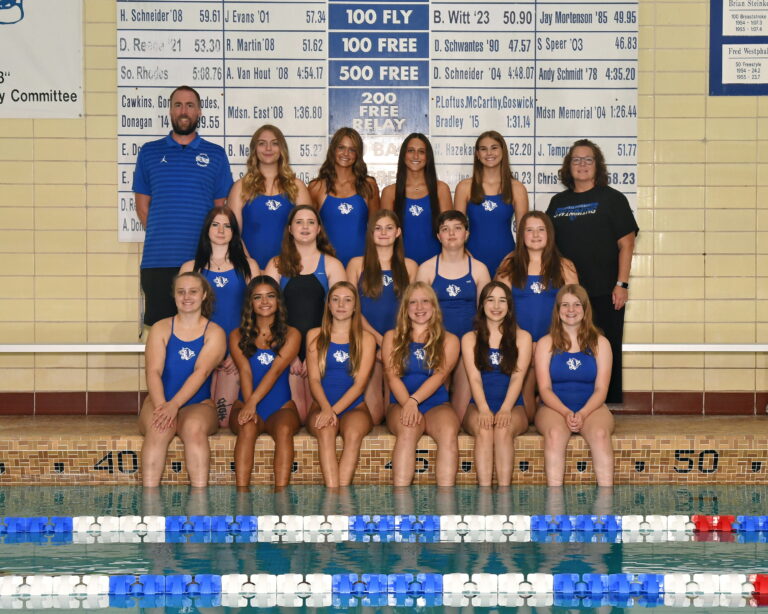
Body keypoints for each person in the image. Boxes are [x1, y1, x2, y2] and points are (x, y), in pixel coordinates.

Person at [547, 139, 638, 403]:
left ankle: (607, 402)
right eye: (576, 159)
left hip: (605, 291)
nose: (582, 164)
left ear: (597, 165)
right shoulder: (558, 202)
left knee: (605, 346)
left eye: (588, 159)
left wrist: (622, 284)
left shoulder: (613, 199)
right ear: (569, 166)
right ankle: (569, 400)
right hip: (568, 293)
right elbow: (547, 245)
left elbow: (627, 244)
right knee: (569, 346)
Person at [133, 85, 233, 326]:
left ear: (199, 112)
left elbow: (220, 211)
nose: (184, 111)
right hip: (158, 261)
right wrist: (166, 236)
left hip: (203, 262)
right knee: (160, 331)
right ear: (170, 111)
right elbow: (143, 207)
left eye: (190, 105)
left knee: (204, 330)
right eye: (178, 105)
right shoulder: (149, 153)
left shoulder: (216, 155)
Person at [139, 272, 226, 487]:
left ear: (204, 295)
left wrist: (174, 405)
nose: (187, 297)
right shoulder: (160, 328)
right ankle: (149, 501)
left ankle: (199, 501)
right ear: (174, 296)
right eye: (181, 292)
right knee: (159, 428)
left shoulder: (215, 332)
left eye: (193, 291)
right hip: (160, 400)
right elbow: (153, 371)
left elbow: (201, 372)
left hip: (198, 405)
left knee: (193, 429)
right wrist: (162, 407)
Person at [180, 207, 259, 426]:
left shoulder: (249, 266)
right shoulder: (191, 268)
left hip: (236, 351)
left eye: (227, 226)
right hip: (201, 351)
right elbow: (182, 317)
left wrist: (240, 350)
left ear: (234, 232)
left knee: (224, 421)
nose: (221, 230)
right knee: (198, 415)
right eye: (215, 225)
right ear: (207, 229)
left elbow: (258, 313)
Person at [265, 205, 347, 417]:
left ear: (319, 229)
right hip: (284, 348)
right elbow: (267, 314)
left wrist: (314, 354)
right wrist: (288, 353)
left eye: (311, 222)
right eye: (299, 222)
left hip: (320, 348)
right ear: (290, 229)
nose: (305, 227)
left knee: (313, 416)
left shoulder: (332, 265)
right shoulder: (276, 265)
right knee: (296, 416)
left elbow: (342, 315)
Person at [496, 211, 578, 415]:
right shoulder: (509, 264)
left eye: (541, 229)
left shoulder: (565, 266)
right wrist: (522, 340)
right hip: (518, 341)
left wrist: (548, 342)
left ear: (549, 233)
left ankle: (545, 399)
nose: (535, 235)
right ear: (521, 235)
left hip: (555, 342)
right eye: (529, 230)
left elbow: (574, 309)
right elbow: (498, 308)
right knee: (528, 413)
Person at [534, 284, 614, 486]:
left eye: (577, 304)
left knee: (600, 434)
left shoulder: (600, 343)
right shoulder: (545, 343)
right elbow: (544, 389)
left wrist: (583, 413)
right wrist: (566, 412)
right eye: (565, 305)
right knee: (555, 435)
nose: (571, 310)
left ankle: (606, 501)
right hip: (554, 407)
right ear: (558, 310)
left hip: (592, 406)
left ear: (585, 309)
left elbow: (601, 389)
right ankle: (555, 502)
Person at [382, 282, 460, 487]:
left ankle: (445, 501)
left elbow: (440, 376)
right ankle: (401, 502)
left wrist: (414, 401)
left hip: (436, 404)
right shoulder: (391, 337)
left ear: (434, 306)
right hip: (400, 402)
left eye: (425, 301)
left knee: (448, 431)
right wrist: (407, 404)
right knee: (408, 430)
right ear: (405, 308)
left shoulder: (450, 340)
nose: (419, 307)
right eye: (413, 302)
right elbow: (392, 377)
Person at [417, 210, 491, 421]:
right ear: (438, 236)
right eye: (445, 229)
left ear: (466, 234)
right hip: (436, 345)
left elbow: (486, 314)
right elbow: (417, 314)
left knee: (459, 412)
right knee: (436, 405)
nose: (451, 234)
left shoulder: (479, 269)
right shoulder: (426, 269)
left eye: (457, 228)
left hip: (468, 346)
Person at [229, 276, 302, 488]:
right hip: (245, 402)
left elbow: (275, 371)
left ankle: (281, 496)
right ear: (250, 303)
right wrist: (248, 405)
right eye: (257, 297)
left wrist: (253, 403)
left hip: (280, 407)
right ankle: (241, 495)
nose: (264, 302)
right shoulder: (236, 335)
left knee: (284, 430)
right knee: (247, 427)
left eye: (270, 296)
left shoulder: (292, 334)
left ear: (278, 300)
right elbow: (245, 371)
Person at [346, 210, 418, 423]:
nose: (383, 232)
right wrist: (378, 342)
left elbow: (415, 310)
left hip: (399, 343)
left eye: (389, 228)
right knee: (375, 416)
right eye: (378, 228)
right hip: (366, 340)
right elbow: (351, 309)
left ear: (398, 232)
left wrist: (392, 344)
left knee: (395, 412)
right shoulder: (356, 264)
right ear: (370, 233)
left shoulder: (410, 266)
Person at [306, 282, 377, 487]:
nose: (341, 305)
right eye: (335, 299)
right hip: (321, 406)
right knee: (326, 431)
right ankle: (332, 495)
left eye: (347, 300)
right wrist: (326, 409)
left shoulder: (367, 339)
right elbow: (314, 380)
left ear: (355, 306)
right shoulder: (314, 335)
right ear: (328, 305)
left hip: (355, 408)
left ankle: (342, 497)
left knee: (353, 434)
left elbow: (359, 385)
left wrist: (333, 411)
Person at [462, 282, 532, 486]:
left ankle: (504, 494)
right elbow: (474, 378)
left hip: (513, 405)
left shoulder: (523, 338)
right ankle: (484, 494)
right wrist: (483, 409)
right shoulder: (469, 338)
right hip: (478, 404)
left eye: (502, 301)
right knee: (484, 430)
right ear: (482, 305)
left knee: (502, 430)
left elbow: (517, 377)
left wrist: (506, 409)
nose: (496, 306)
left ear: (509, 306)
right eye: (490, 300)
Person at [228, 124, 312, 269]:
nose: (268, 148)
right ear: (254, 149)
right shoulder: (240, 187)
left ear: (282, 149)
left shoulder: (297, 187)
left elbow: (308, 234)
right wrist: (251, 267)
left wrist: (289, 264)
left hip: (290, 268)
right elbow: (233, 234)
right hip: (249, 269)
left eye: (274, 143)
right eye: (262, 143)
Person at [454, 130, 529, 277]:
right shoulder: (464, 187)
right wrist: (463, 254)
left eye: (494, 148)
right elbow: (455, 229)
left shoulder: (517, 188)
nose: (489, 153)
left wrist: (515, 257)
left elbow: (523, 231)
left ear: (503, 151)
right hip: (471, 258)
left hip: (507, 260)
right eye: (483, 149)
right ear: (477, 154)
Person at [309, 127, 380, 266]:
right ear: (333, 150)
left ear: (358, 154)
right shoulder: (316, 187)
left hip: (362, 265)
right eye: (341, 147)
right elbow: (307, 230)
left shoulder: (368, 185)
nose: (346, 153)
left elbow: (377, 228)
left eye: (352, 149)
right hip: (326, 265)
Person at [380, 133, 452, 263]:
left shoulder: (441, 189)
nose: (416, 156)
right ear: (403, 155)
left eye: (421, 152)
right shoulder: (389, 192)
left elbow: (449, 232)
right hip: (401, 265)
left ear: (428, 157)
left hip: (436, 264)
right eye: (411, 151)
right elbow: (384, 236)